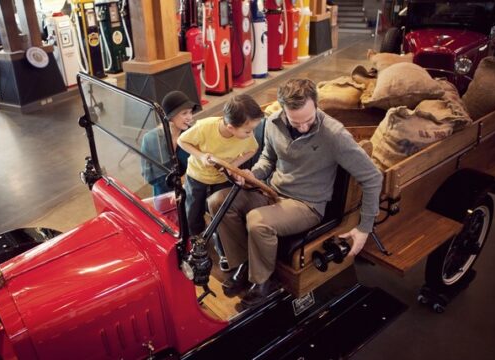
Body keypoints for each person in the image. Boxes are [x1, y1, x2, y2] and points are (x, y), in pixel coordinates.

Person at [207, 79, 383, 308]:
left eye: (308, 120)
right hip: (273, 191)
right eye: (295, 121)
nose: (302, 127)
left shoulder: (335, 135)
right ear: (283, 110)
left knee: (257, 222)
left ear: (316, 106)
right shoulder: (272, 123)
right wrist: (252, 175)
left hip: (307, 205)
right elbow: (268, 159)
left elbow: (373, 177)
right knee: (217, 201)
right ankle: (245, 263)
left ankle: (263, 283)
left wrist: (365, 227)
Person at [177, 94, 263, 237]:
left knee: (220, 212)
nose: (251, 134)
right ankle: (194, 240)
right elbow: (182, 141)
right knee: (193, 211)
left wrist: (233, 165)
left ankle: (219, 241)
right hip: (197, 176)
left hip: (222, 179)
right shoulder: (205, 127)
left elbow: (252, 149)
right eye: (248, 131)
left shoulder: (247, 136)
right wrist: (201, 156)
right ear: (230, 127)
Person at [141, 91, 196, 196]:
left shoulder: (193, 135)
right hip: (163, 195)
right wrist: (176, 182)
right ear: (171, 116)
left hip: (190, 193)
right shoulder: (150, 140)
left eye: (190, 112)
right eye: (184, 113)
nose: (190, 117)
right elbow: (149, 176)